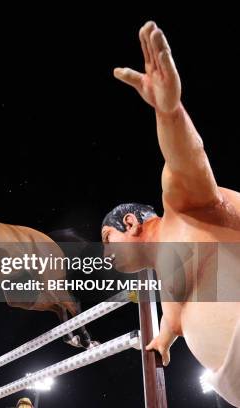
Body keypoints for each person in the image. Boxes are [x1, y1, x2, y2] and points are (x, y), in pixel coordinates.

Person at [101, 21, 240, 406]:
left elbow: (186, 159)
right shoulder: (165, 276)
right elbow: (174, 321)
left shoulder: (183, 209)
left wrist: (169, 112)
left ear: (130, 223)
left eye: (107, 240)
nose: (106, 255)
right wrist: (162, 340)